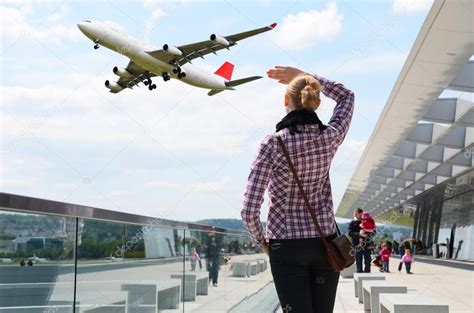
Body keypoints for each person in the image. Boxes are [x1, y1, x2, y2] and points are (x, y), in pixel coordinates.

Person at [241, 66, 355, 313]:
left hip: (286, 246)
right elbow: (347, 96)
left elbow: (249, 209)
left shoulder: (272, 144)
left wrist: (261, 241)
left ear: (286, 100)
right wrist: (305, 74)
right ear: (315, 100)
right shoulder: (330, 137)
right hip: (325, 244)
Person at [348, 208, 372, 273]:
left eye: (361, 214)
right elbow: (350, 233)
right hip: (357, 245)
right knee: (358, 263)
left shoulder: (367, 221)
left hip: (367, 245)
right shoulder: (352, 223)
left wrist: (371, 242)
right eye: (359, 214)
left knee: (368, 262)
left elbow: (373, 232)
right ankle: (360, 276)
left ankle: (367, 276)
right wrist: (359, 234)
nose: (361, 216)